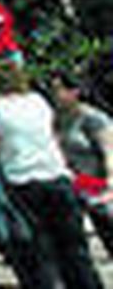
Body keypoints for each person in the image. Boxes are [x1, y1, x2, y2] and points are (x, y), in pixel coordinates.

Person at [0, 58, 103, 289]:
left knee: (38, 250)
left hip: (22, 181)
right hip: (56, 175)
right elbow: (50, 136)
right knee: (74, 247)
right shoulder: (37, 101)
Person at [52, 74, 113, 256]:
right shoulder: (58, 119)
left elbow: (109, 151)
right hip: (76, 182)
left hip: (99, 183)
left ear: (74, 92)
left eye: (58, 89)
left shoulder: (94, 118)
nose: (54, 94)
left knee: (108, 229)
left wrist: (110, 183)